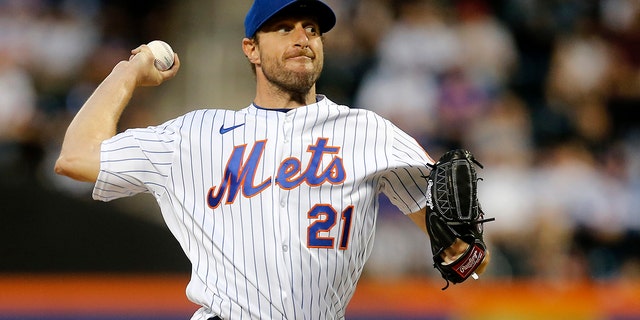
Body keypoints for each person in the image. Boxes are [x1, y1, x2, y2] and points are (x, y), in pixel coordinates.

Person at [55, 0, 488, 319]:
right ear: (251, 49)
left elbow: (468, 257)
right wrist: (128, 71)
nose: (302, 38)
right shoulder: (194, 134)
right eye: (283, 28)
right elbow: (76, 157)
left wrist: (464, 254)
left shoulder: (369, 132)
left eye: (312, 29)